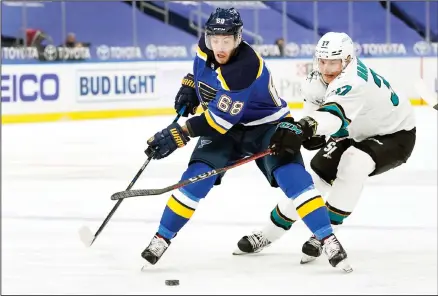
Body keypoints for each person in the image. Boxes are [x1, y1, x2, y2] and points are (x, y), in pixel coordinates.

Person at [141, 8, 351, 272]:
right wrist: (190, 86)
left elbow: (218, 122)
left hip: (266, 127)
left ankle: (327, 238)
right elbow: (201, 71)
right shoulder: (204, 47)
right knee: (196, 178)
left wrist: (179, 134)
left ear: (238, 38)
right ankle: (161, 238)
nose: (218, 46)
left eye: (226, 41)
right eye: (214, 39)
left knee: (293, 178)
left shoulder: (245, 67)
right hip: (227, 126)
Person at [234, 32, 416, 265]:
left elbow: (333, 117)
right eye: (322, 61)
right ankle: (268, 233)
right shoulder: (313, 80)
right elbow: (316, 118)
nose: (327, 68)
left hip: (395, 134)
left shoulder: (354, 82)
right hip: (353, 131)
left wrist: (306, 127)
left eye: (334, 62)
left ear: (348, 60)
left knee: (354, 162)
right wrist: (305, 133)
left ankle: (324, 236)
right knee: (316, 179)